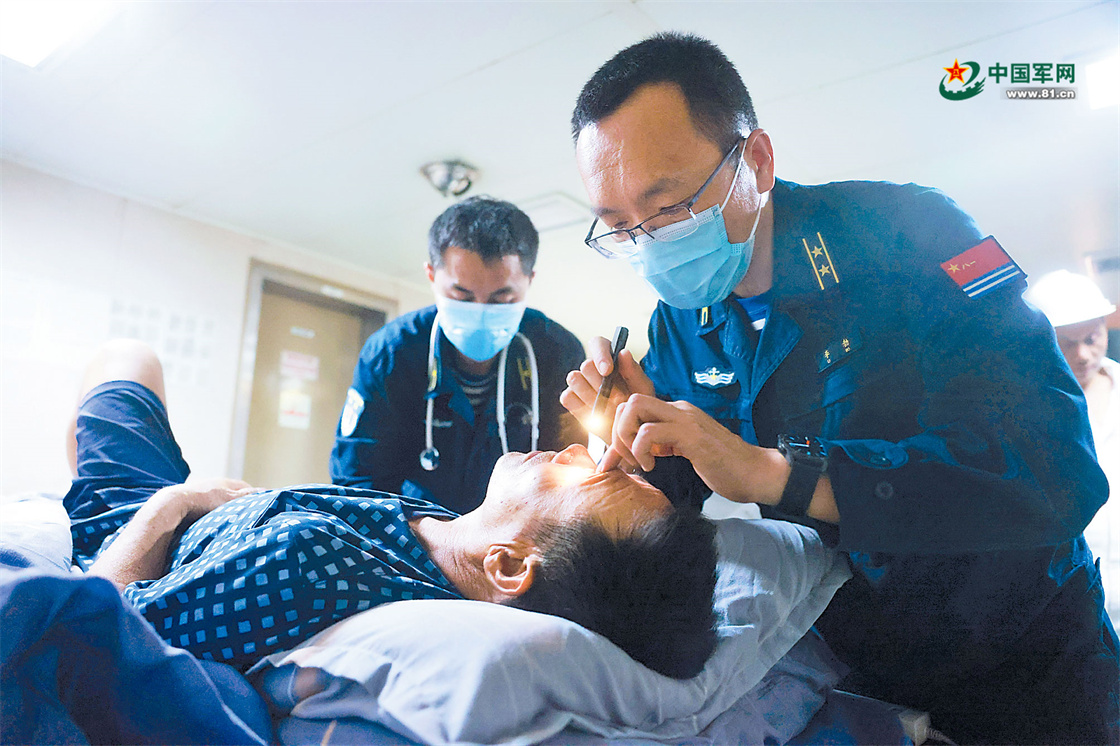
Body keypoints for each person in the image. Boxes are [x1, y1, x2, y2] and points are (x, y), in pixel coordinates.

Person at [560, 33, 1118, 744]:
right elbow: (693, 489)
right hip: (864, 671)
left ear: (756, 161)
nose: (648, 246)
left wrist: (778, 475)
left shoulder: (913, 235)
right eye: (618, 229)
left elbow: (1054, 471)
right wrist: (644, 446)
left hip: (1029, 660)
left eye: (668, 209)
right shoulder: (679, 321)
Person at [67, 340, 718, 680]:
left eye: (591, 479)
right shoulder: (443, 538)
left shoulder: (308, 565)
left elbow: (90, 637)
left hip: (133, 523)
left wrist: (171, 504)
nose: (579, 450)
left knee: (126, 358)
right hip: (218, 512)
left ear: (509, 566)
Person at [330, 196, 586, 514]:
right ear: (431, 275)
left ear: (529, 280)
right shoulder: (392, 353)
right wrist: (438, 536)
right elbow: (358, 484)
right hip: (417, 533)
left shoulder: (557, 351)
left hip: (517, 531)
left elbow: (569, 472)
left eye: (502, 300)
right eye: (462, 296)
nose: (481, 312)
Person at [1025, 269, 1119, 628]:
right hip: (1073, 611)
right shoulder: (1025, 412)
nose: (1082, 355)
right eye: (1066, 343)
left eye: (1092, 338)